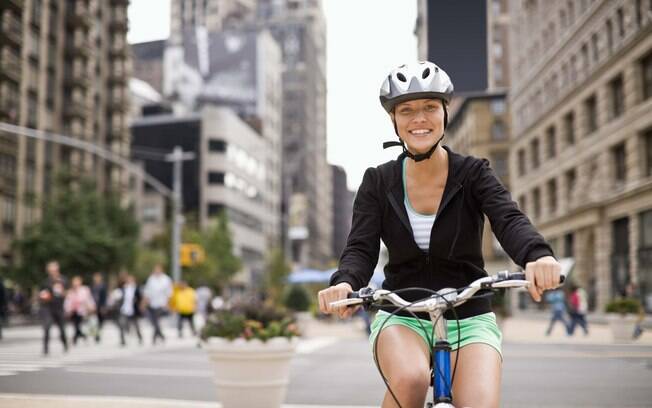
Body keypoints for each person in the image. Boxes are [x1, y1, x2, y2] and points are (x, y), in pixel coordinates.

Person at [317, 61, 562, 408]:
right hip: (402, 313)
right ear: (394, 121)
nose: (419, 119)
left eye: (430, 107)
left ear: (445, 113)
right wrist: (345, 282)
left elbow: (508, 218)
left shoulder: (474, 173)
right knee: (411, 380)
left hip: (470, 315)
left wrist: (537, 255)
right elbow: (360, 247)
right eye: (407, 110)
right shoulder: (378, 181)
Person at [40, 261, 69, 356]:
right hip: (48, 307)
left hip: (59, 307)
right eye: (50, 270)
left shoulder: (63, 280)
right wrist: (44, 296)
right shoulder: (45, 282)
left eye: (53, 270)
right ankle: (45, 348)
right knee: (47, 326)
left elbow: (67, 293)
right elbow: (42, 294)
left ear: (57, 270)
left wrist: (63, 292)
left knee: (62, 329)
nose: (52, 272)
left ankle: (65, 344)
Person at [143, 264, 173, 345]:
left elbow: (169, 292)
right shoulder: (151, 279)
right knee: (154, 321)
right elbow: (147, 291)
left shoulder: (166, 279)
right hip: (152, 303)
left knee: (156, 320)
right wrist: (145, 302)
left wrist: (168, 303)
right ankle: (161, 336)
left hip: (161, 303)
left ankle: (154, 338)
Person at [64, 276, 96, 345]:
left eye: (77, 281)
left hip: (81, 310)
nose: (75, 283)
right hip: (73, 311)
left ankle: (75, 338)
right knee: (75, 325)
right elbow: (68, 301)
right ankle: (82, 336)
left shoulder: (85, 290)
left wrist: (91, 307)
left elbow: (89, 299)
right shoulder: (71, 291)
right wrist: (67, 310)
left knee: (77, 325)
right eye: (74, 282)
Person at [117, 274, 143, 346]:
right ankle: (122, 340)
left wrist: (137, 301)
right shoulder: (123, 288)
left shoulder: (136, 288)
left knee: (136, 325)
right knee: (121, 324)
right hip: (124, 309)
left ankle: (140, 337)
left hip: (133, 310)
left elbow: (140, 298)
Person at [91, 272, 108, 343]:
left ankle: (98, 334)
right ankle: (96, 335)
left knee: (101, 321)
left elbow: (104, 297)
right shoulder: (92, 286)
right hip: (94, 306)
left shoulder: (103, 286)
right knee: (94, 322)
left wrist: (103, 306)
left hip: (100, 305)